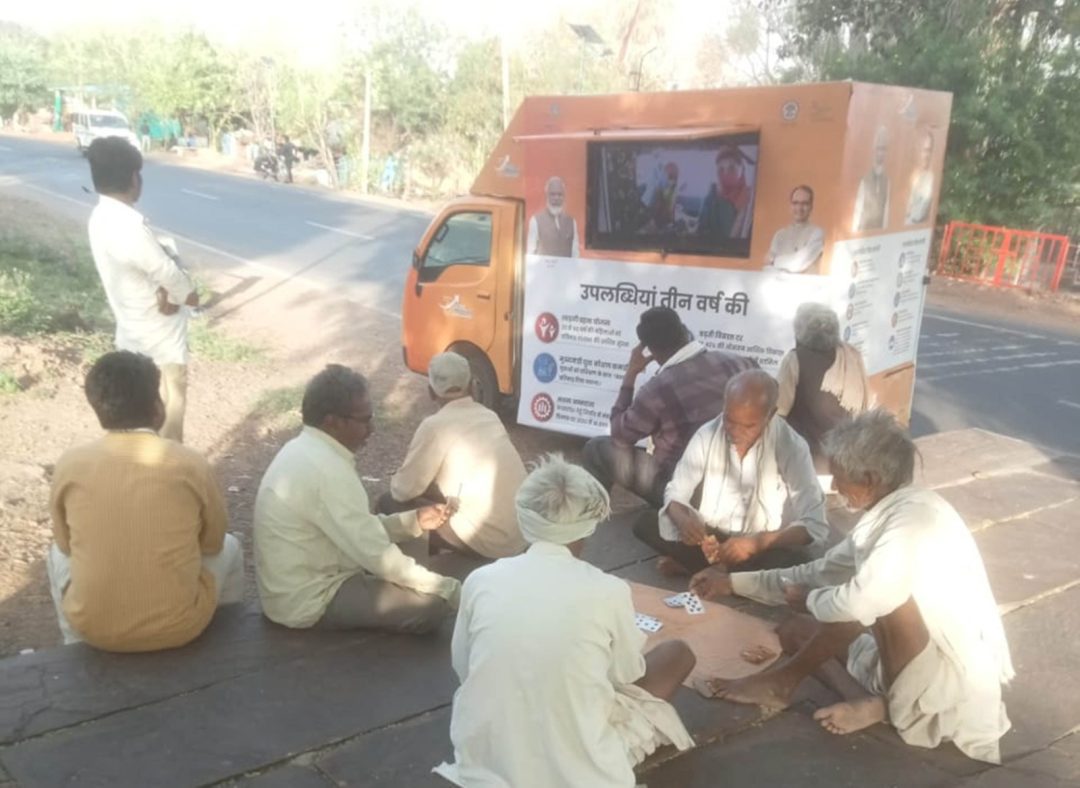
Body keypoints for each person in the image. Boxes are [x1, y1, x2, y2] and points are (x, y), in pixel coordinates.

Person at [691, 410, 1013, 764]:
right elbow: (820, 571)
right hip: (902, 662)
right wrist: (731, 583)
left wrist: (813, 600)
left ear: (871, 479)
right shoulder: (885, 514)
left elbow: (861, 603)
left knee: (866, 600)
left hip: (946, 681)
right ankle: (873, 703)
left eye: (840, 477)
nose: (836, 486)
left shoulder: (912, 520)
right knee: (794, 630)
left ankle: (783, 682)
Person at [434, 456, 696, 787]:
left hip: (489, 755)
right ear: (588, 527)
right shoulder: (609, 591)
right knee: (677, 654)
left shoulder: (480, 580)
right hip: (577, 761)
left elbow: (464, 667)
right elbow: (627, 675)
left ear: (524, 517)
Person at [46, 351, 243, 652]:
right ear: (157, 409)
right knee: (232, 546)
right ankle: (227, 641)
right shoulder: (189, 463)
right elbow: (213, 541)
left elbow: (64, 543)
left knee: (55, 556)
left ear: (98, 409)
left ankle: (73, 646)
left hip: (93, 630)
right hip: (179, 628)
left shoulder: (69, 464)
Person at [254, 364, 460, 634]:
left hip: (301, 585)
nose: (372, 428)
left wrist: (412, 521)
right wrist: (449, 589)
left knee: (411, 545)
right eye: (365, 420)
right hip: (311, 599)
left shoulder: (305, 449)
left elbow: (358, 529)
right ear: (332, 421)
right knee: (433, 605)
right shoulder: (327, 471)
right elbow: (376, 554)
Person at [634, 369, 828, 576]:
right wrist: (684, 520)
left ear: (770, 415)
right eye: (730, 420)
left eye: (748, 426)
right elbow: (676, 491)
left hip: (762, 545)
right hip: (711, 539)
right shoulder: (707, 433)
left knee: (798, 566)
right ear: (724, 405)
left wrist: (756, 543)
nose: (735, 432)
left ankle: (707, 571)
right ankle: (729, 576)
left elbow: (814, 524)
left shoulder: (792, 446)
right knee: (645, 523)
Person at [582, 306, 757, 508]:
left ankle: (588, 517)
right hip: (743, 484)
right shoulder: (741, 363)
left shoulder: (658, 389)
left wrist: (630, 375)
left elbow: (620, 436)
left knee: (596, 448)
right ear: (684, 331)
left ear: (650, 351)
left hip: (688, 492)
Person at [86, 137, 198, 442]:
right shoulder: (128, 227)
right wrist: (186, 295)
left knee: (135, 427)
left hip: (132, 337)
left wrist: (165, 291)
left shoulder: (100, 218)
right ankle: (165, 481)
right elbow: (170, 275)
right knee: (167, 429)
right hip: (161, 346)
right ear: (134, 178)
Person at [377, 352, 527, 559]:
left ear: (431, 392)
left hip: (493, 543)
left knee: (389, 504)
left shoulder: (434, 426)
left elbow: (403, 491)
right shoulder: (489, 416)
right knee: (436, 494)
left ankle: (409, 577)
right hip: (522, 533)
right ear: (472, 386)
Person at [776, 303, 870, 472]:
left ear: (799, 331)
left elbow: (778, 411)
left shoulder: (795, 359)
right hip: (845, 460)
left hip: (805, 460)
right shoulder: (850, 356)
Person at [697, 146, 755, 241]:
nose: (725, 173)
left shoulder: (751, 199)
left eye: (732, 168)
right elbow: (700, 232)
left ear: (742, 170)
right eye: (721, 169)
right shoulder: (711, 199)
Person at [765, 185, 826, 274]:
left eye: (804, 203)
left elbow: (799, 263)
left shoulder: (817, 233)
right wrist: (774, 262)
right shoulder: (780, 235)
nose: (799, 208)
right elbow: (768, 269)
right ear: (790, 206)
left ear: (811, 207)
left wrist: (774, 261)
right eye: (795, 203)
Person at [527, 175, 580, 257]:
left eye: (560, 194)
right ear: (547, 195)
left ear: (564, 196)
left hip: (566, 269)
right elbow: (530, 254)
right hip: (543, 269)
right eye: (552, 194)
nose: (556, 198)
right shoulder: (535, 220)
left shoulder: (572, 222)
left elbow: (575, 254)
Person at [852, 126, 891, 232]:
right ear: (874, 150)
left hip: (878, 233)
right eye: (878, 148)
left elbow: (886, 212)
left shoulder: (887, 181)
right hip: (863, 231)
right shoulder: (864, 179)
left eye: (883, 149)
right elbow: (858, 209)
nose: (881, 153)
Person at [905, 129, 935, 225]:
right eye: (924, 150)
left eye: (929, 151)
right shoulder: (907, 175)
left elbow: (920, 214)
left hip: (919, 231)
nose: (926, 155)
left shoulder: (930, 178)